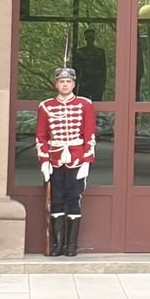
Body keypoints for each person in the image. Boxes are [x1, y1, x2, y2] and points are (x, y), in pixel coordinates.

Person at [36, 67, 96, 257]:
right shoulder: (46, 106)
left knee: (74, 200)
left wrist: (87, 161)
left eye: (68, 81)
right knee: (56, 201)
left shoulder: (85, 104)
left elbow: (90, 136)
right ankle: (57, 245)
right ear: (56, 84)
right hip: (54, 160)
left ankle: (71, 246)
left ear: (74, 84)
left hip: (77, 159)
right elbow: (41, 136)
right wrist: (44, 161)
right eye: (61, 81)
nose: (65, 84)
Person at [72, 28, 106, 101]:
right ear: (86, 39)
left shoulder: (100, 52)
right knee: (84, 103)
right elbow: (76, 68)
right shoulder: (80, 52)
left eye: (91, 37)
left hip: (96, 82)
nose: (90, 39)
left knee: (97, 103)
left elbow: (103, 69)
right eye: (88, 37)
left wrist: (102, 84)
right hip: (84, 82)